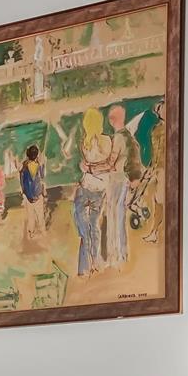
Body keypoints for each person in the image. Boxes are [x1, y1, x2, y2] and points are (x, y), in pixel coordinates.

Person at [103, 104, 146, 269]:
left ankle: (115, 256)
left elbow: (110, 163)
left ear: (111, 121)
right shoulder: (129, 136)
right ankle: (122, 254)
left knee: (113, 217)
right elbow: (134, 155)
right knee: (119, 215)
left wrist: (91, 165)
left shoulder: (118, 138)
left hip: (116, 180)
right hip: (125, 181)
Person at [73, 108, 111, 277]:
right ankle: (95, 262)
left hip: (85, 188)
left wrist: (87, 168)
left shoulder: (84, 143)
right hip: (100, 189)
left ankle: (86, 265)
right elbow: (108, 165)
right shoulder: (107, 141)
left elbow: (85, 166)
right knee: (95, 226)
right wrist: (92, 168)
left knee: (84, 228)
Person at [18, 142, 47, 246]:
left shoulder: (24, 168)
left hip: (28, 196)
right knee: (40, 214)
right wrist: (43, 163)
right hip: (38, 195)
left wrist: (23, 191)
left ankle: (31, 232)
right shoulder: (39, 166)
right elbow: (43, 176)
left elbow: (22, 181)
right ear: (37, 155)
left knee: (31, 215)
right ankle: (43, 231)